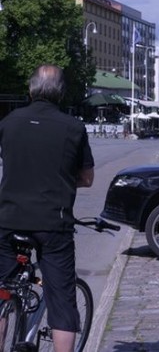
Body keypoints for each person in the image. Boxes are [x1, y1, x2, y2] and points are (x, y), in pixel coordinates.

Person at [0, 65, 94, 352]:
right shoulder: (74, 127)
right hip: (53, 224)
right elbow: (87, 178)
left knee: (1, 293)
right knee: (62, 300)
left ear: (31, 90)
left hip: (8, 219)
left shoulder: (9, 122)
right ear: (61, 93)